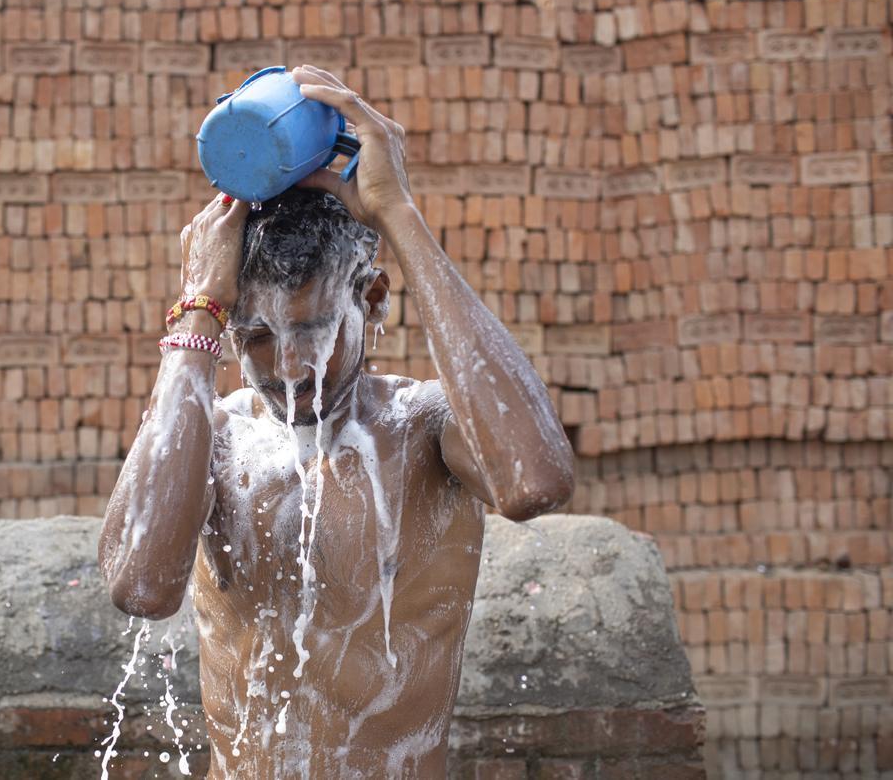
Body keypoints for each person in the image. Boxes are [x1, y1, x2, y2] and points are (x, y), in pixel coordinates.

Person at [99, 65, 576, 778]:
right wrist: (199, 303)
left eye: (316, 332)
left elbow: (534, 480)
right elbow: (140, 583)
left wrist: (399, 218)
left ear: (374, 300)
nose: (290, 367)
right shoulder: (218, 438)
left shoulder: (425, 426)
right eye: (257, 338)